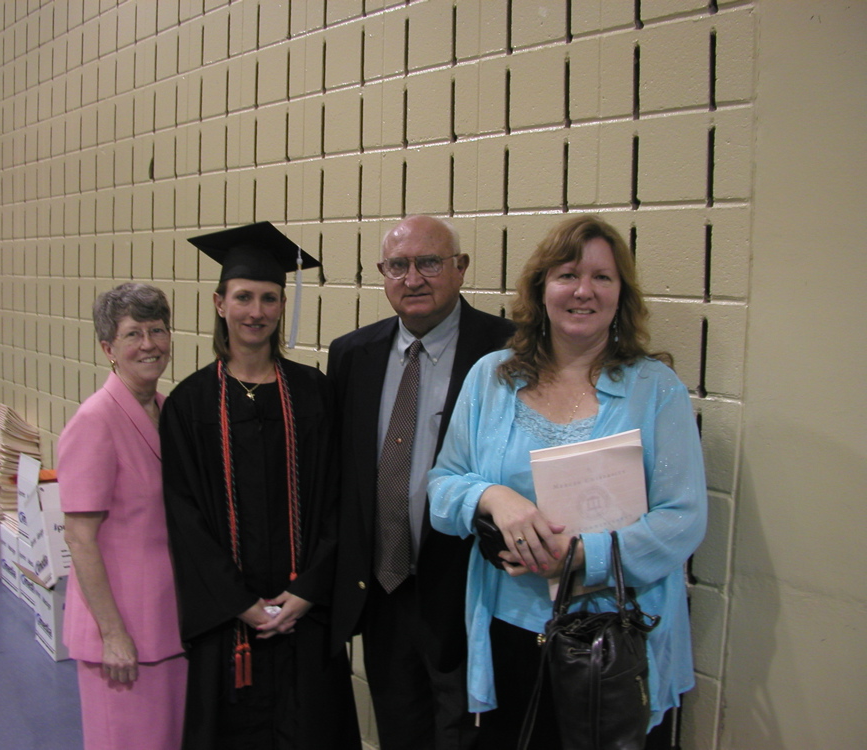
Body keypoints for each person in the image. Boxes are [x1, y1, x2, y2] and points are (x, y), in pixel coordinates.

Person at [427, 215, 708, 748]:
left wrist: (582, 555)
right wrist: (493, 496)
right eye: (567, 275)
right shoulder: (492, 377)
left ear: (620, 294)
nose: (583, 291)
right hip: (511, 626)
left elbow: (684, 518)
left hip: (616, 641)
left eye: (602, 277)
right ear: (541, 289)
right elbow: (443, 485)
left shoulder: (656, 390)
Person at [160, 222, 360, 749]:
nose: (256, 311)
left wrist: (306, 591)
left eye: (269, 298)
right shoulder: (189, 405)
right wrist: (240, 603)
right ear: (220, 302)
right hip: (228, 624)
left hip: (305, 619)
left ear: (281, 305)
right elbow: (184, 518)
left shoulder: (316, 394)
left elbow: (340, 499)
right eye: (243, 297)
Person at [328, 215, 515, 749]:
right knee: (398, 727)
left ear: (460, 269)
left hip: (466, 591)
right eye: (398, 266)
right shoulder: (351, 355)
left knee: (467, 734)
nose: (413, 279)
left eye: (429, 263)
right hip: (383, 591)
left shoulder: (508, 351)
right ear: (382, 274)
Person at [58, 283, 186, 750]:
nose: (149, 344)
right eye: (134, 334)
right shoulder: (95, 422)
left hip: (168, 624)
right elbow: (79, 539)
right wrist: (113, 634)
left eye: (158, 330)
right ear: (108, 348)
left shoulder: (166, 412)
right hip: (122, 634)